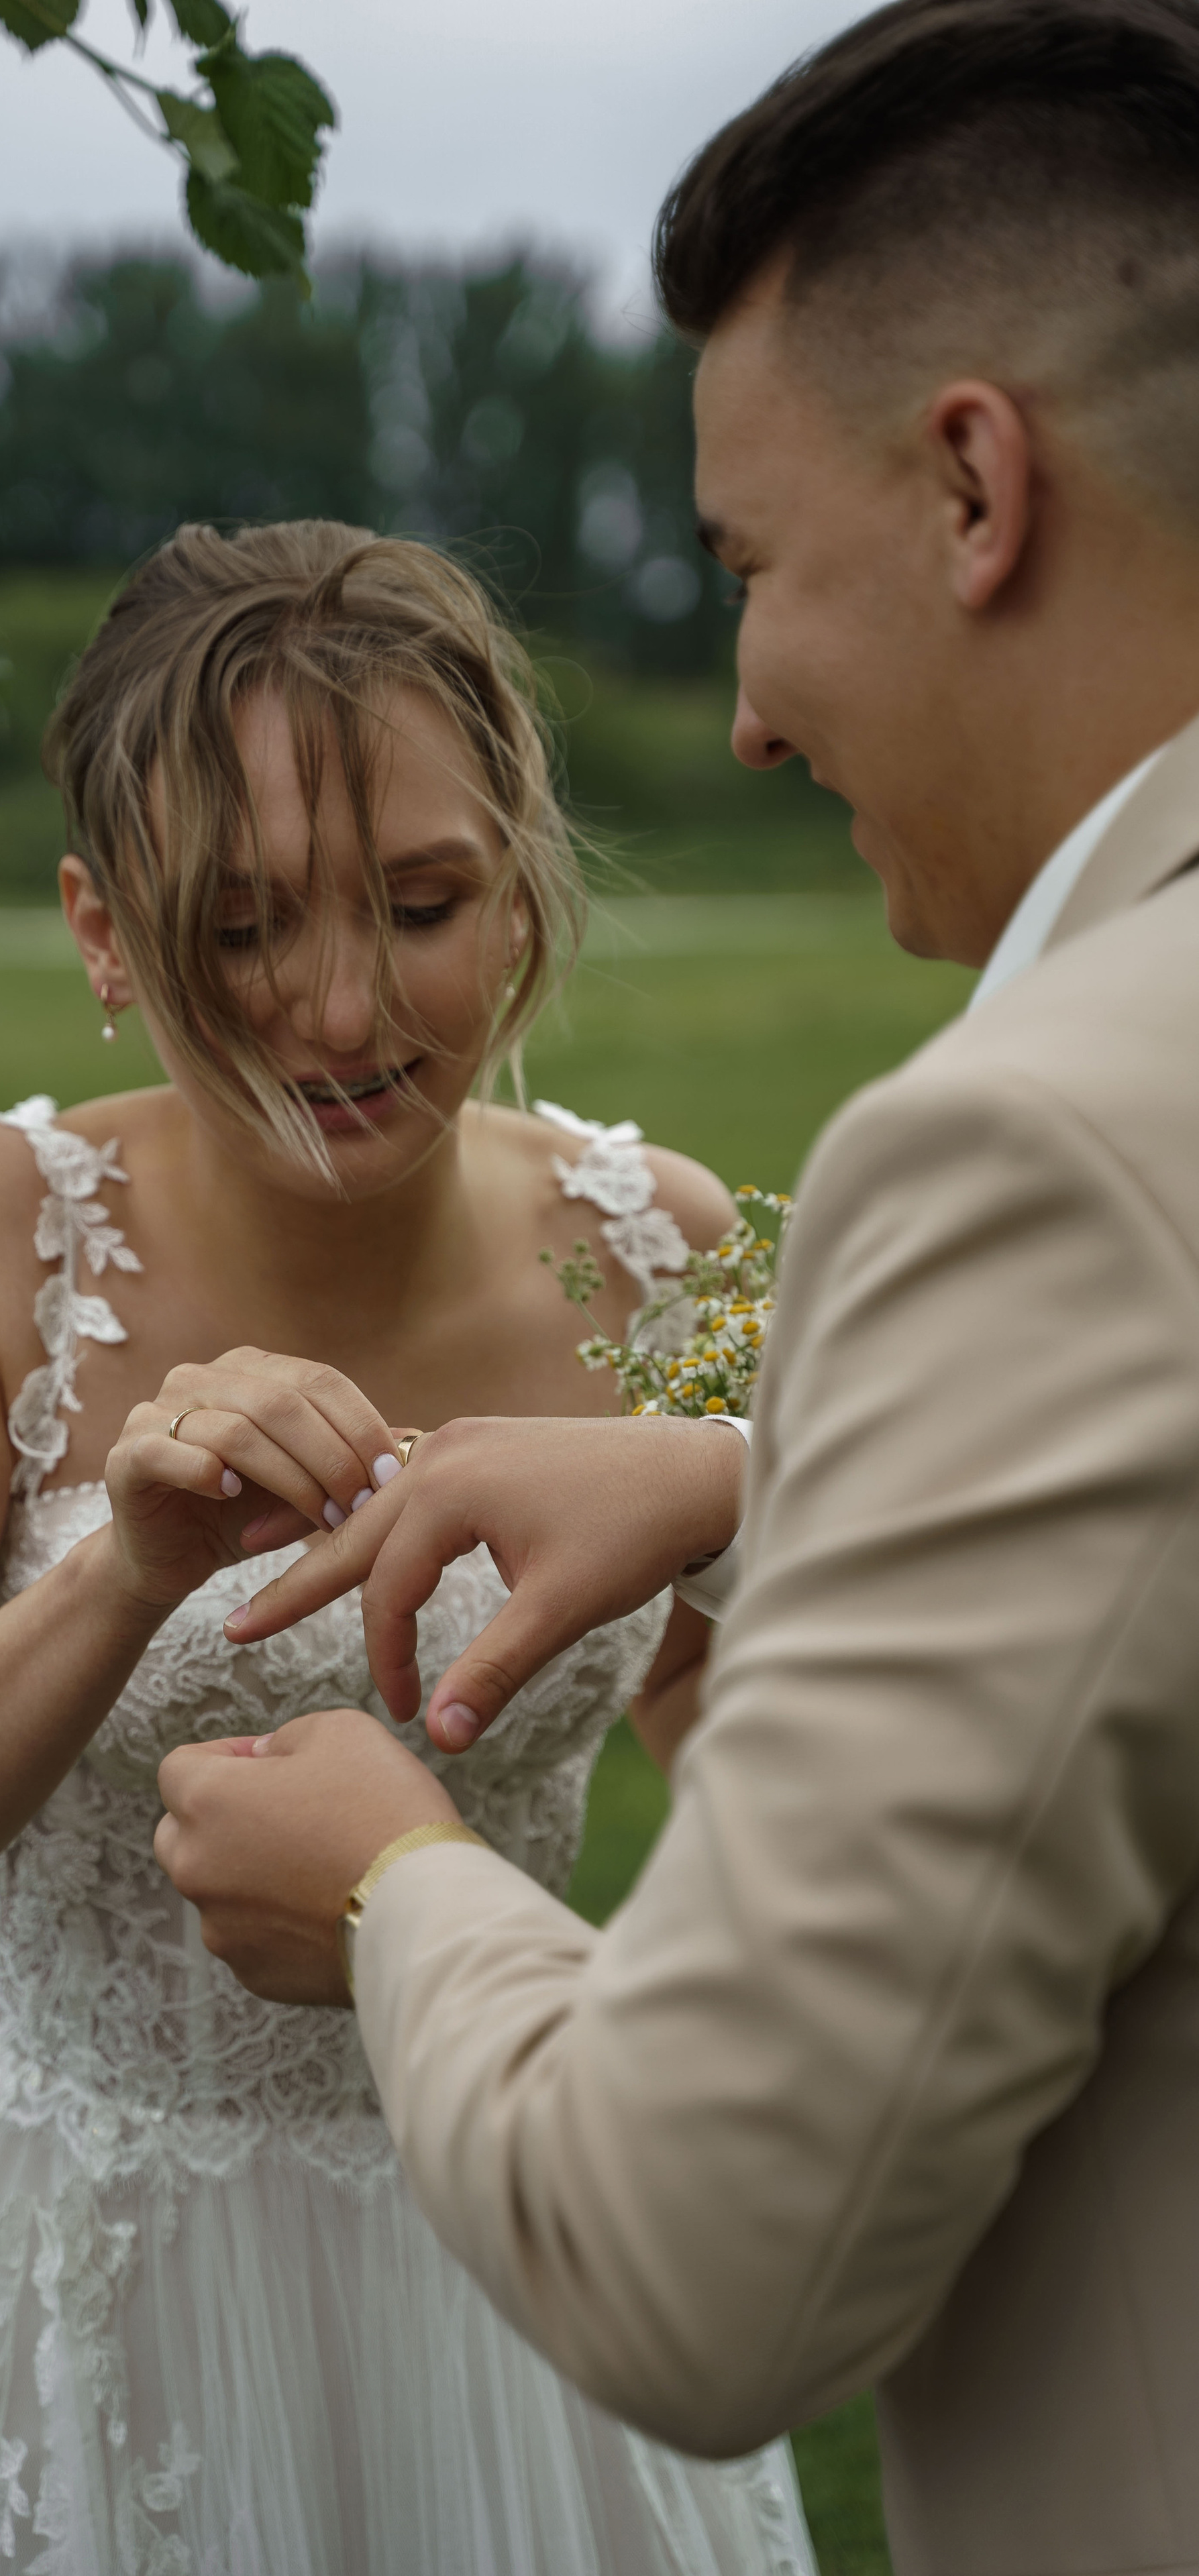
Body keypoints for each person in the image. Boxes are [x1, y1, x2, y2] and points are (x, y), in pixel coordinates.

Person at [154, 5, 1199, 2569]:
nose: (743, 715)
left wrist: (395, 1882)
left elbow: (711, 2260)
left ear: (976, 488)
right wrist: (749, 1479)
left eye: (749, 569)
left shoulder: (1009, 1154)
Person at [0, 520, 817, 2575]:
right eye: (240, 929)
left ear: (520, 880)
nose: (340, 1007)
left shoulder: (673, 1245)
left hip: (516, 2238)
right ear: (101, 931)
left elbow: (772, 1754)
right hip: (75, 2278)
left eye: (423, 903)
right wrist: (121, 1575)